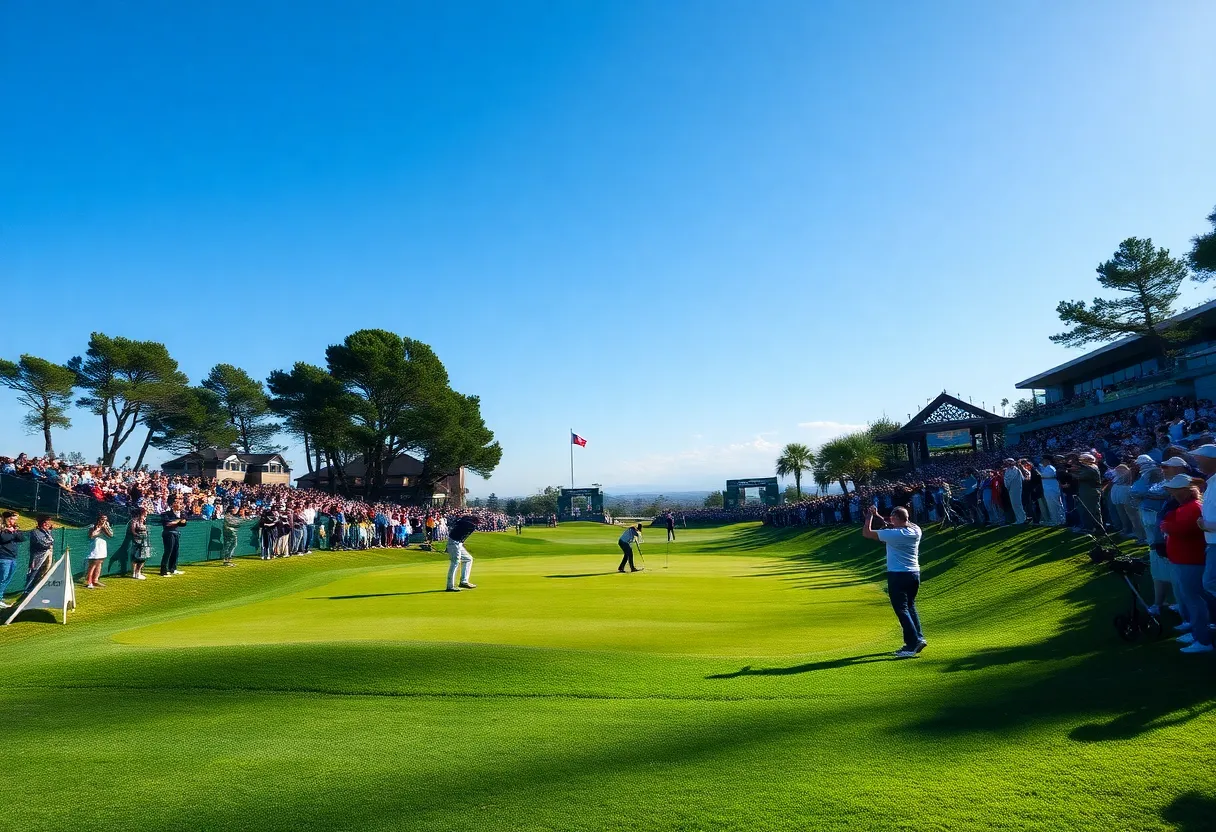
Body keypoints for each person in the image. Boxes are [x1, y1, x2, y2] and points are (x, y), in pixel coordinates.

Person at [861, 505, 926, 658]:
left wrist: (869, 518)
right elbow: (897, 523)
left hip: (898, 574)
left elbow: (867, 533)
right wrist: (879, 516)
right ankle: (919, 637)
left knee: (901, 609)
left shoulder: (893, 534)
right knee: (910, 606)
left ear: (897, 518)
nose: (890, 519)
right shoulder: (916, 529)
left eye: (892, 517)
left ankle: (912, 643)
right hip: (914, 573)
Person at [1159, 474, 1213, 653]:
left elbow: (1180, 529)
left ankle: (1203, 639)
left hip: (1191, 559)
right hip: (1183, 559)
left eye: (1174, 490)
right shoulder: (1185, 507)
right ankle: (1197, 632)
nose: (1171, 493)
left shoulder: (1192, 507)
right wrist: (1168, 525)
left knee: (1194, 598)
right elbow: (1171, 522)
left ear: (1184, 491)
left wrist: (1167, 526)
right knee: (1190, 597)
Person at [445, 515, 478, 592]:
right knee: (455, 562)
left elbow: (458, 524)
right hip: (454, 543)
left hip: (457, 544)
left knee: (468, 559)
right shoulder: (469, 525)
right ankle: (450, 586)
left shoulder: (462, 523)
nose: (476, 524)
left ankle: (464, 581)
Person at [0, 511, 25, 609]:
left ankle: (0, 598)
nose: (15, 521)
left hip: (12, 557)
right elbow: (3, 538)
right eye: (14, 519)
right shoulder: (2, 527)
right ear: (8, 519)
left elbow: (22, 538)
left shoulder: (14, 528)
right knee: (2, 579)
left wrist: (14, 531)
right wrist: (11, 533)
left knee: (7, 579)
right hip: (3, 557)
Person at [24, 514, 55, 593]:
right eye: (46, 522)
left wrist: (49, 534)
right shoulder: (35, 532)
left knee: (46, 569)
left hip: (47, 553)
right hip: (37, 555)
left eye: (49, 522)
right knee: (33, 571)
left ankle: (38, 586)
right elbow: (42, 543)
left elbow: (50, 541)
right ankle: (27, 589)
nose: (48, 524)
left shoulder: (47, 531)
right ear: (42, 523)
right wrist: (49, 543)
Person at [84, 514, 113, 589]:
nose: (104, 521)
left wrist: (105, 528)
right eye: (103, 519)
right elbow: (91, 535)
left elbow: (110, 535)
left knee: (99, 563)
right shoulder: (92, 526)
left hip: (102, 547)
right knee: (93, 564)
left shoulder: (106, 527)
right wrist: (99, 529)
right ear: (99, 519)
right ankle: (89, 582)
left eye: (106, 520)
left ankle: (95, 580)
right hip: (94, 547)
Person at [160, 498, 187, 577]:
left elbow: (184, 522)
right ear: (173, 505)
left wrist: (179, 521)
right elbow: (168, 524)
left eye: (180, 503)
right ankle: (163, 571)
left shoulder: (181, 513)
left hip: (176, 533)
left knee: (175, 552)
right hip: (168, 534)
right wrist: (178, 521)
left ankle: (173, 569)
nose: (179, 505)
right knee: (168, 551)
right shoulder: (166, 514)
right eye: (177, 503)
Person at [129, 507, 151, 580]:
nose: (146, 515)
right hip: (137, 541)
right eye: (145, 513)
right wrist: (139, 536)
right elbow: (133, 531)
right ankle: (134, 573)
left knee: (143, 557)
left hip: (145, 541)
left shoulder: (144, 520)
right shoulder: (134, 521)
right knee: (136, 557)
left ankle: (138, 572)